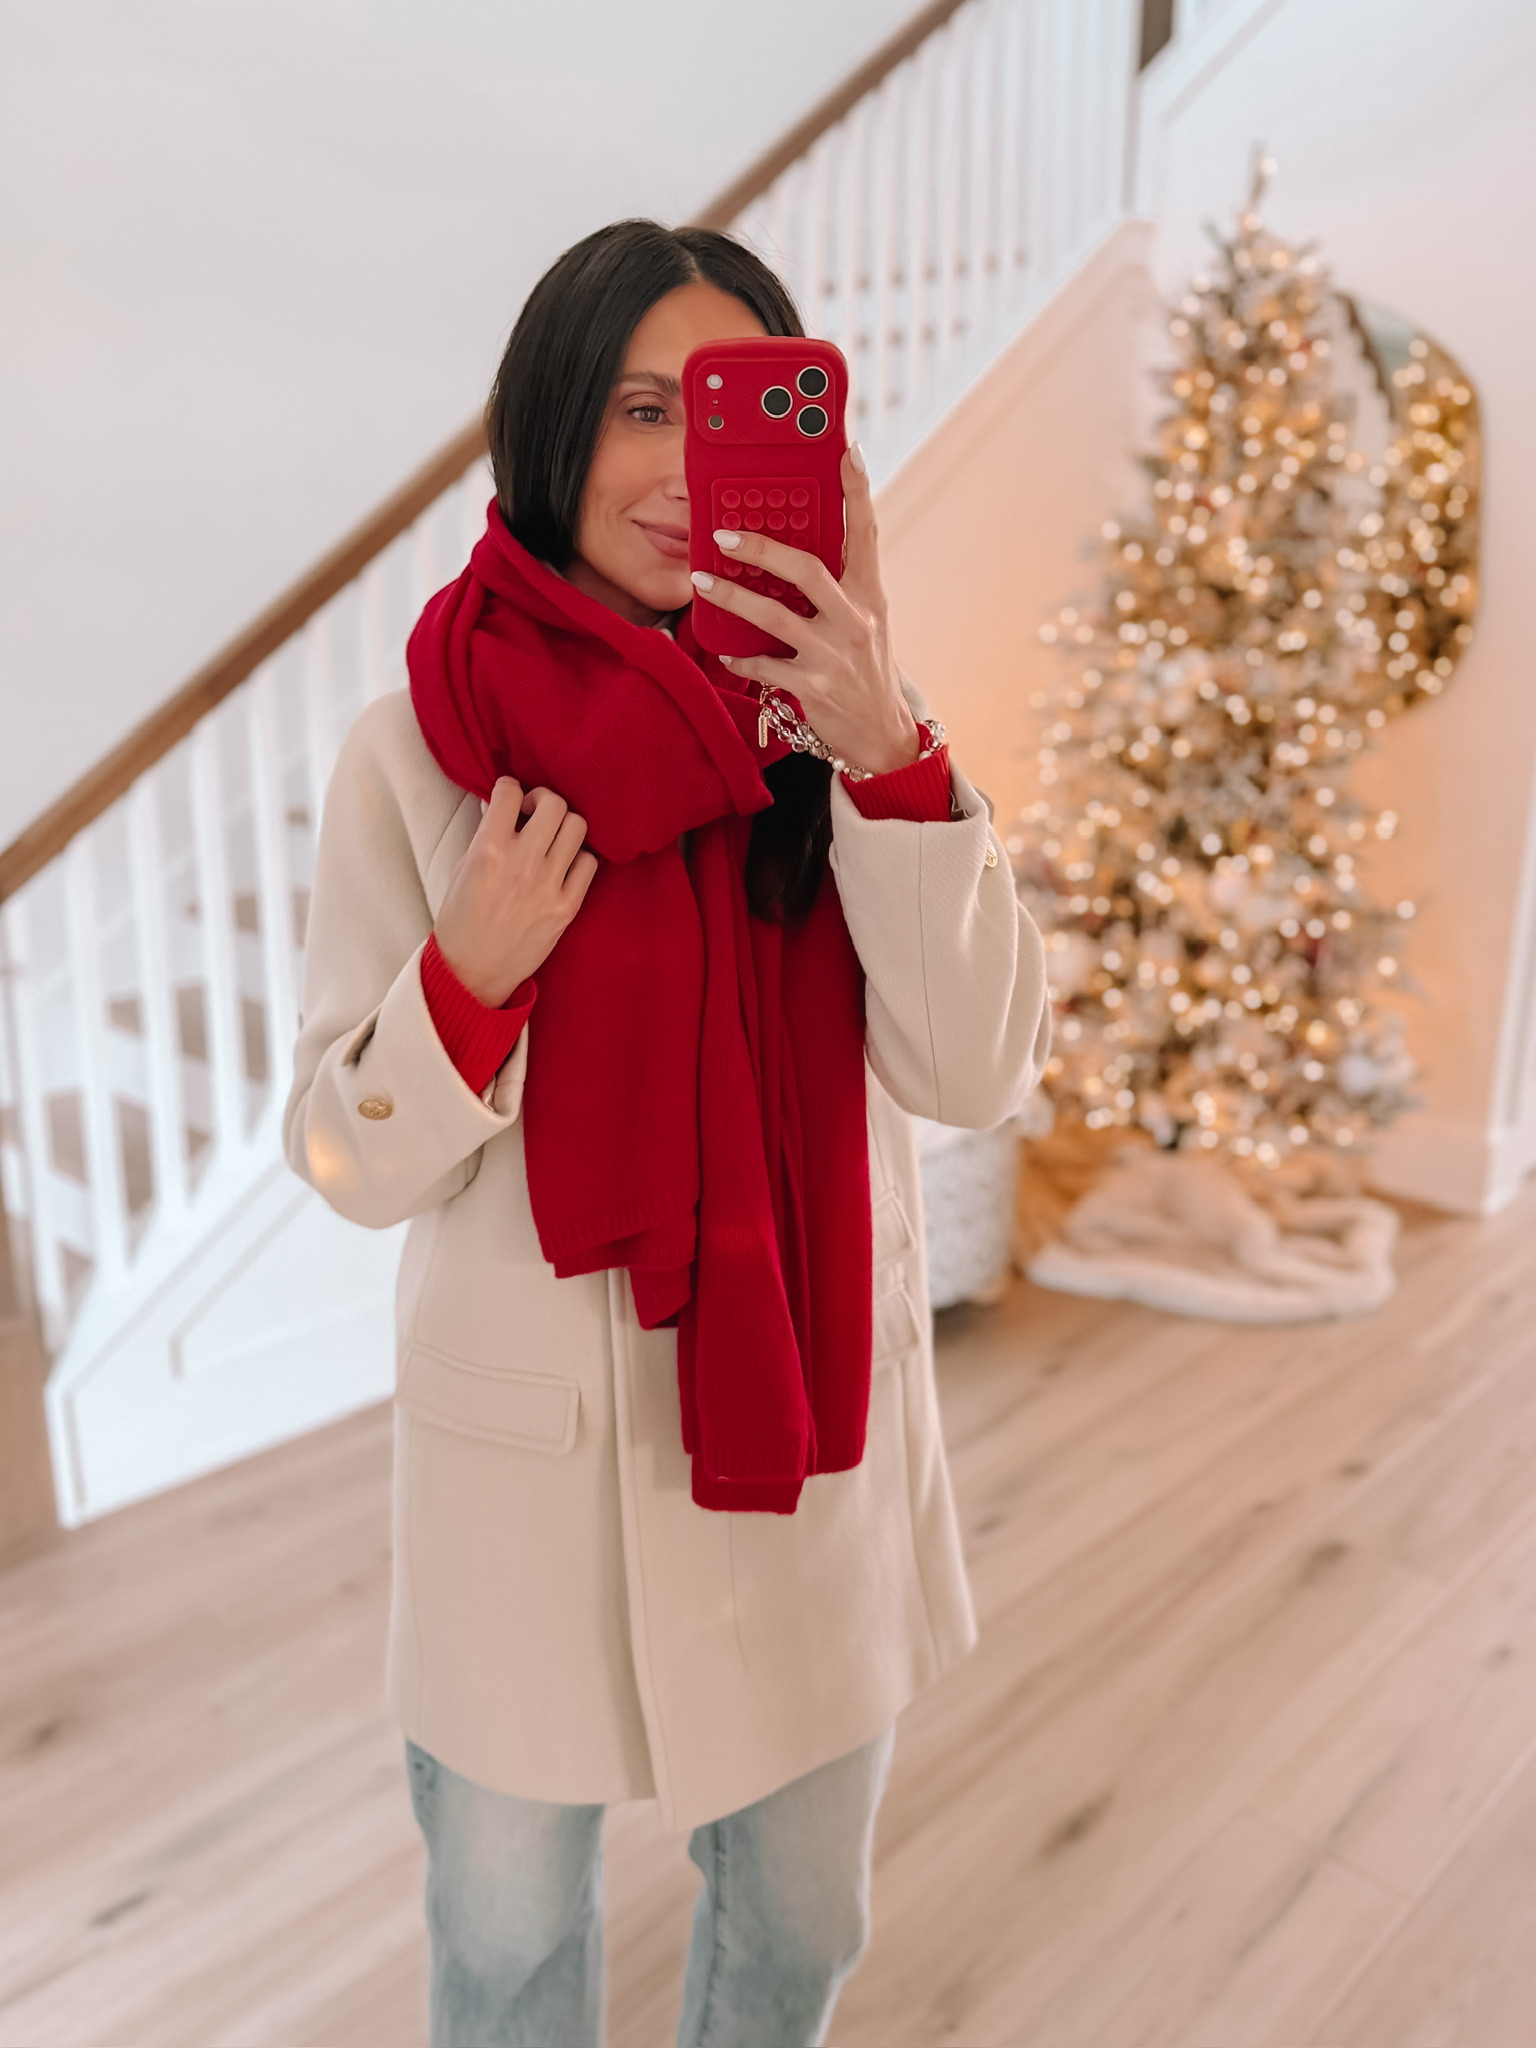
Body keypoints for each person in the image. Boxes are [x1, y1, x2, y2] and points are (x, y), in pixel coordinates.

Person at [284, 219, 1049, 2048]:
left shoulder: (846, 732)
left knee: (803, 1920)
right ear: (553, 431)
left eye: (732, 413)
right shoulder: (419, 753)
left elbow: (977, 1073)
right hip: (529, 1480)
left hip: (804, 1451)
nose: (690, 469)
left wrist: (886, 749)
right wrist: (467, 979)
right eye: (643, 410)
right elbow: (346, 1155)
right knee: (502, 1944)